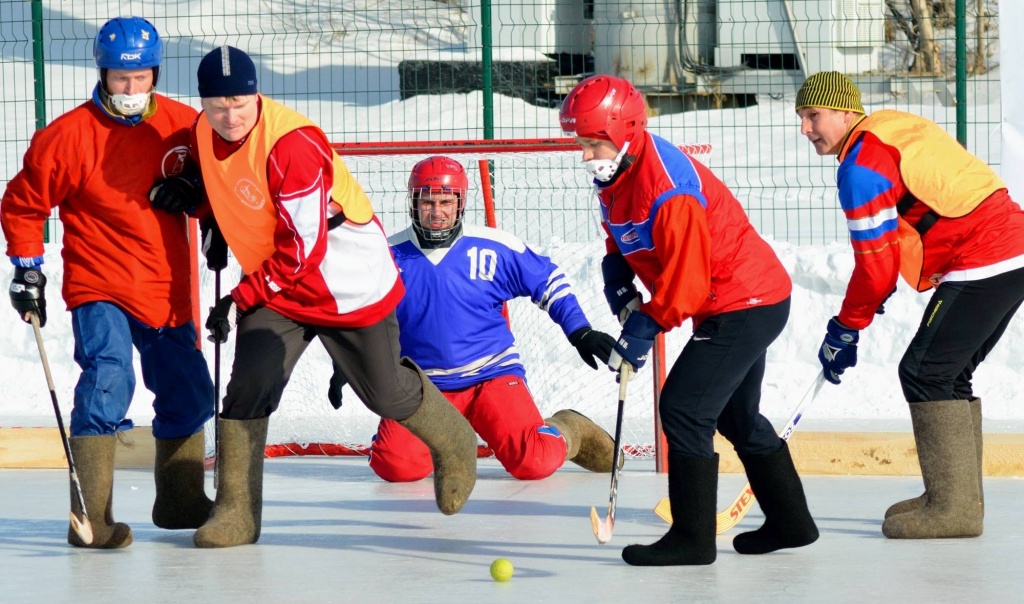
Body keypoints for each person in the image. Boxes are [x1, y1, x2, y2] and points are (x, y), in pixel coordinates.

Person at [172, 46, 478, 548]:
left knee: (385, 393)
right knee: (247, 386)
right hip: (281, 287)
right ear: (202, 103)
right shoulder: (204, 132)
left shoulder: (291, 144)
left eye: (240, 104)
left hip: (344, 281)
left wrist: (237, 299)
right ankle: (236, 512)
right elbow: (227, 183)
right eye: (217, 105)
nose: (229, 117)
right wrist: (202, 205)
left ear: (256, 95)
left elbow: (303, 249)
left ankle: (454, 437)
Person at [559, 74, 818, 566]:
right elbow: (623, 234)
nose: (587, 155)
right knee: (736, 416)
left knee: (683, 408)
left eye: (594, 143)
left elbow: (688, 284)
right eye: (582, 144)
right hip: (736, 298)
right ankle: (792, 522)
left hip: (744, 300)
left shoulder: (668, 187)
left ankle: (692, 539)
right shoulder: (617, 173)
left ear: (625, 131)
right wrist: (618, 280)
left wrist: (643, 326)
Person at [1, 17, 215, 549]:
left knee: (190, 392)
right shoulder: (67, 137)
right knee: (107, 378)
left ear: (155, 73)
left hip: (166, 283)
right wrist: (27, 267)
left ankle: (181, 501)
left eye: (141, 77)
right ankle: (91, 518)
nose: (131, 89)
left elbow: (220, 180)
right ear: (101, 74)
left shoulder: (184, 126)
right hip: (100, 282)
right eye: (121, 78)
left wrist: (196, 193)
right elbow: (24, 203)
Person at [795, 71, 1024, 539]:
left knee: (925, 371)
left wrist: (845, 326)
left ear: (844, 112)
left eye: (813, 115)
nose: (805, 129)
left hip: (987, 256)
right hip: (1007, 247)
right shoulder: (889, 127)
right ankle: (956, 496)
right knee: (947, 372)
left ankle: (954, 508)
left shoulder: (860, 168)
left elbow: (875, 266)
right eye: (800, 118)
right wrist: (869, 296)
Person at [365, 155, 619, 483]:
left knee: (533, 463)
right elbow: (360, 309)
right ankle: (450, 439)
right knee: (395, 466)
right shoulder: (388, 254)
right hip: (423, 386)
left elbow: (548, 279)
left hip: (491, 376)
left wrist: (580, 331)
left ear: (460, 203)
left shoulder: (493, 246)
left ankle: (570, 430)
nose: (437, 211)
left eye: (445, 201)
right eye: (427, 202)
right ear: (412, 203)